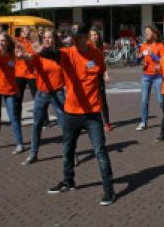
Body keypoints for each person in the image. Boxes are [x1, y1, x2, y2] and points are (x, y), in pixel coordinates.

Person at [47, 24, 115, 206]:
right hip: (72, 113)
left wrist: (101, 99)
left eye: (78, 37)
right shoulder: (67, 53)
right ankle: (69, 181)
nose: (75, 40)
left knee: (100, 151)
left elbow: (100, 77)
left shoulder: (97, 55)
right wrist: (42, 47)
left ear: (86, 37)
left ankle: (109, 189)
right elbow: (51, 54)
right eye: (72, 37)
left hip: (92, 113)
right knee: (68, 149)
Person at [17, 29, 65, 165]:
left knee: (64, 125)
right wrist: (21, 56)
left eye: (50, 38)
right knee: (37, 124)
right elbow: (30, 57)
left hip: (58, 93)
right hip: (42, 93)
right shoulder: (39, 53)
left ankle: (70, 153)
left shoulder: (59, 54)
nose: (47, 40)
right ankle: (33, 154)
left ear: (55, 39)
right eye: (45, 38)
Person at [0, 32, 24, 154]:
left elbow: (21, 49)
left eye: (4, 40)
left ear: (8, 42)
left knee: (14, 118)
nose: (1, 42)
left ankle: (20, 143)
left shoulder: (13, 53)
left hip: (10, 90)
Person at [136, 25, 164, 131]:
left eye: (148, 32)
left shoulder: (160, 46)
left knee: (160, 100)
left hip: (158, 76)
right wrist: (138, 58)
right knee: (144, 101)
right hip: (146, 76)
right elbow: (137, 61)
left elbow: (163, 61)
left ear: (154, 34)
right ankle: (144, 122)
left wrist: (152, 54)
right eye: (145, 32)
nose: (146, 34)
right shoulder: (143, 45)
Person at [89, 27, 112, 132]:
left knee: (102, 100)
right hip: (88, 77)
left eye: (96, 34)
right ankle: (90, 122)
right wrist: (93, 63)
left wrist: (106, 74)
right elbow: (85, 63)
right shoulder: (86, 47)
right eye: (93, 35)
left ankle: (106, 122)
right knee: (90, 100)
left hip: (98, 76)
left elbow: (102, 62)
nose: (95, 36)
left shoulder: (100, 47)